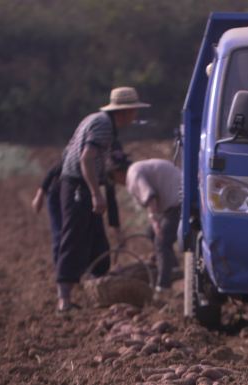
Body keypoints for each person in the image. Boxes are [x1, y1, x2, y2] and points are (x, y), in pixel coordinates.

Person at [55, 86, 150, 312]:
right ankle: (63, 300)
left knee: (97, 239)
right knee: (73, 237)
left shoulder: (97, 121)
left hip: (81, 184)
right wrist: (95, 193)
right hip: (78, 185)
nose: (135, 115)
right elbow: (85, 159)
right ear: (123, 112)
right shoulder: (104, 126)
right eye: (134, 111)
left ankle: (101, 289)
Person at [109, 154, 182, 298]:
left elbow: (150, 196)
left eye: (113, 178)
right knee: (151, 233)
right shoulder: (137, 169)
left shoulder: (133, 174)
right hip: (178, 200)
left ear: (117, 173)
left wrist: (155, 221)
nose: (117, 182)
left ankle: (163, 287)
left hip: (180, 203)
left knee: (161, 242)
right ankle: (172, 267)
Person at [31, 158, 122, 268]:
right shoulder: (91, 152)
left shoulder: (109, 169)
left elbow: (111, 200)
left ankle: (97, 273)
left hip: (85, 193)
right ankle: (63, 277)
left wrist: (117, 230)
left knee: (96, 234)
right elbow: (58, 166)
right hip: (58, 191)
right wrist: (40, 193)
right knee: (63, 235)